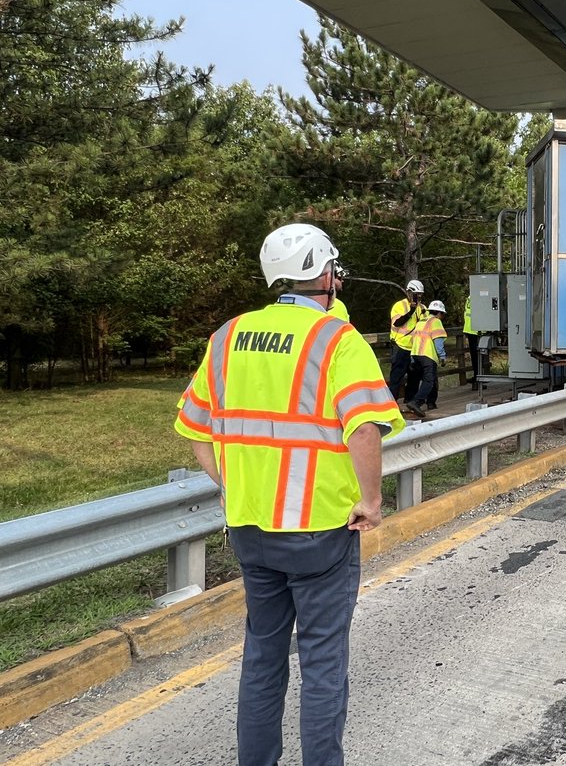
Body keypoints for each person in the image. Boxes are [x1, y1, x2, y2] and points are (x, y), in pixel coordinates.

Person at [174, 223, 404, 766]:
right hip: (320, 531)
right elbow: (365, 428)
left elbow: (194, 430)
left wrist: (235, 486)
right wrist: (371, 502)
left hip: (251, 531)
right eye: (335, 271)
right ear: (323, 274)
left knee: (262, 658)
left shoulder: (228, 336)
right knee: (322, 664)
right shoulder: (334, 338)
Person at [406, 299, 447, 416]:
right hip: (427, 355)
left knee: (431, 379)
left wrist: (413, 359)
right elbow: (438, 341)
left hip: (416, 354)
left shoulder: (421, 321)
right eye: (443, 314)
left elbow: (414, 339)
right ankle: (416, 402)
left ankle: (431, 403)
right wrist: (442, 356)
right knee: (429, 380)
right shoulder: (436, 322)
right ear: (439, 313)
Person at [388, 279, 426, 400]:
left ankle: (410, 403)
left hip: (415, 348)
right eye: (416, 294)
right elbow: (397, 323)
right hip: (400, 346)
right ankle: (392, 404)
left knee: (414, 378)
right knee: (396, 378)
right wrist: (411, 311)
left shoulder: (423, 308)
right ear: (409, 292)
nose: (418, 297)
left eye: (420, 294)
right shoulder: (399, 306)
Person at [462, 295, 480, 388]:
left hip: (470, 329)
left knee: (474, 356)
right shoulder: (479, 295)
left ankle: (477, 378)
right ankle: (478, 379)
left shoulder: (470, 296)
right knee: (478, 357)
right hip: (477, 329)